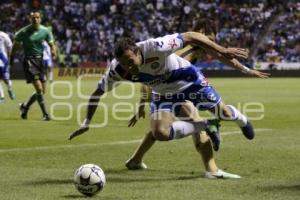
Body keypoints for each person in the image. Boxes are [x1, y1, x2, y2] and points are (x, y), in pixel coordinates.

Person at [68, 31, 258, 177]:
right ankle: (206, 126)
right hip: (161, 92)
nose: (129, 67)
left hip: (188, 80)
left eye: (130, 61)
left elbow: (191, 35)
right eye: (124, 63)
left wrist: (223, 50)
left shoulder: (156, 46)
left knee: (224, 112)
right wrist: (87, 121)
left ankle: (240, 119)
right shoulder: (117, 70)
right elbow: (97, 93)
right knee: (160, 133)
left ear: (137, 51)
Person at [125, 19, 270, 178]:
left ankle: (135, 160)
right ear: (200, 32)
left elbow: (222, 56)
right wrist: (141, 105)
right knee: (192, 122)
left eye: (213, 41)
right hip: (168, 91)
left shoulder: (199, 48)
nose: (211, 43)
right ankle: (212, 169)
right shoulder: (179, 49)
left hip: (179, 88)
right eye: (209, 39)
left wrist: (246, 70)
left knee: (165, 128)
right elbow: (148, 80)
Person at [10, 11, 57, 120]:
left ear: (40, 19)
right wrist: (11, 59)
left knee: (42, 91)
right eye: (33, 18)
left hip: (40, 61)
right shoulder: (23, 32)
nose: (35, 20)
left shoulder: (45, 31)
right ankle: (45, 114)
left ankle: (25, 107)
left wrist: (53, 50)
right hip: (29, 61)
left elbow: (51, 43)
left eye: (37, 18)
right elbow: (15, 46)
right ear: (30, 19)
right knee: (39, 88)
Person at [0, 31, 15, 103]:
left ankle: (10, 89)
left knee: (6, 80)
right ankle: (2, 97)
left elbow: (10, 47)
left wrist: (9, 58)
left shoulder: (3, 35)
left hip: (3, 59)